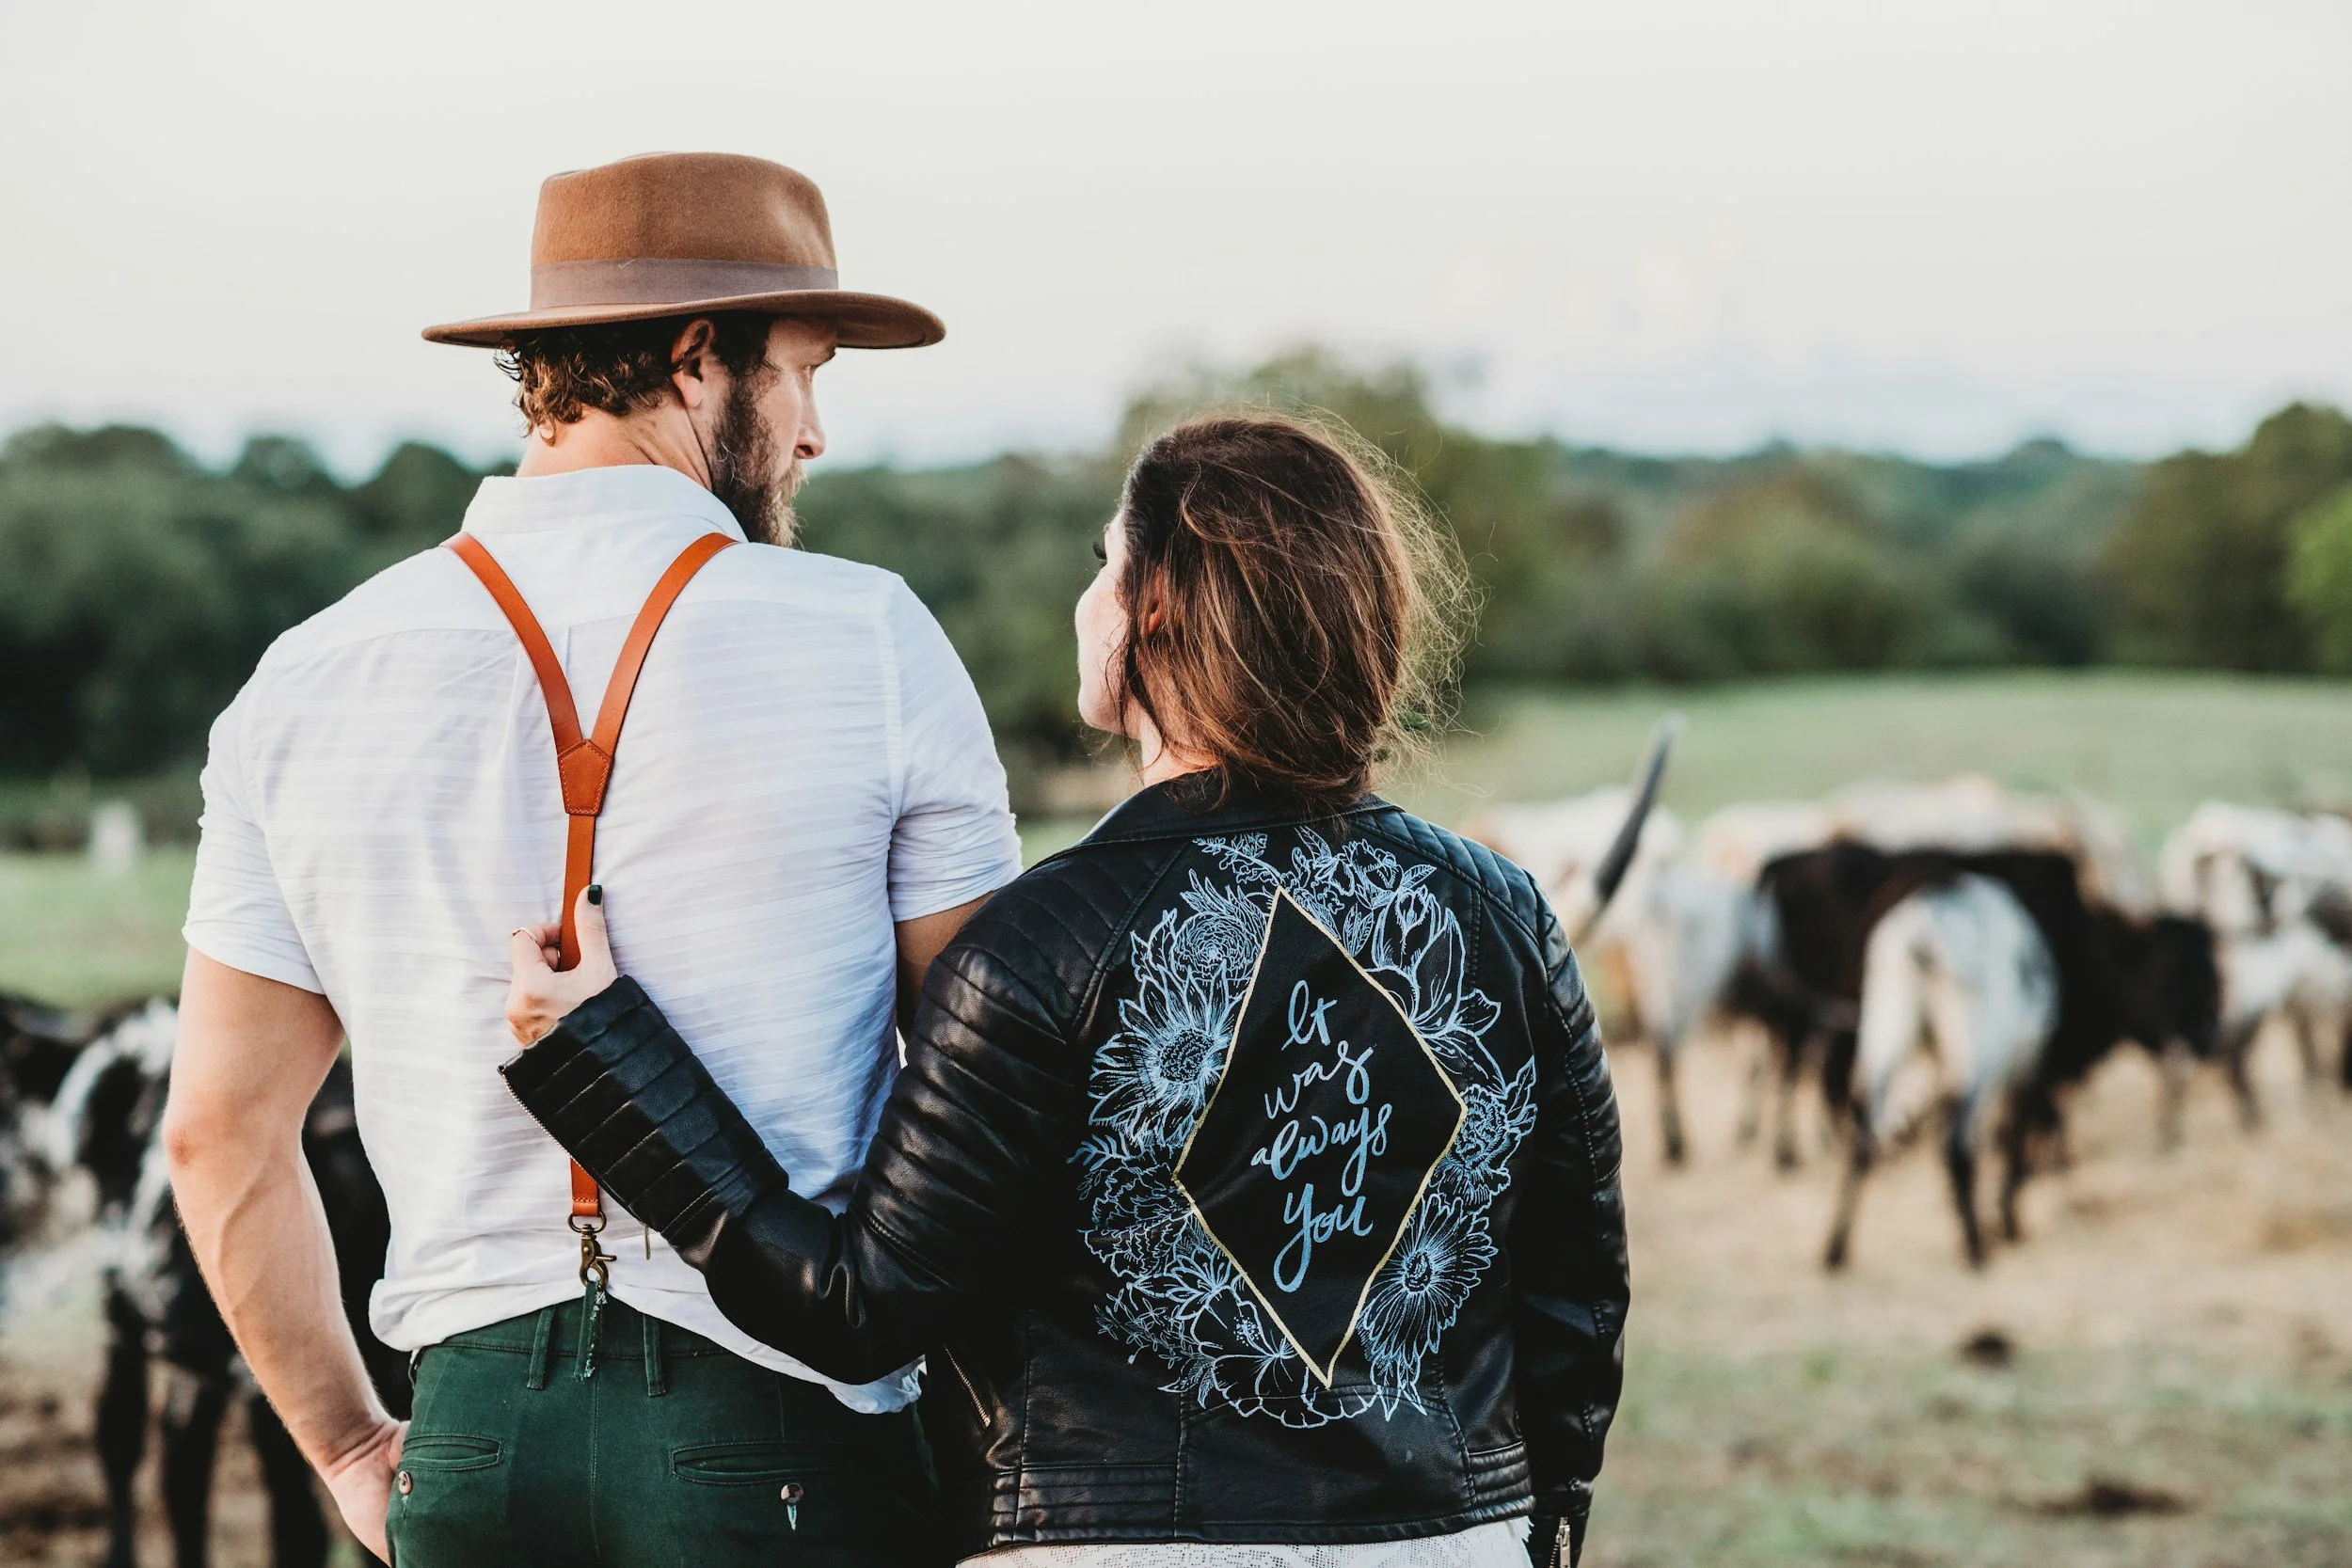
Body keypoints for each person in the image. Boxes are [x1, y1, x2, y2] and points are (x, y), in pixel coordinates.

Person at [504, 415, 1632, 1566]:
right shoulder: (1505, 915)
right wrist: (1534, 1523)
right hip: (1455, 1541)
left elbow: (857, 1308)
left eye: (1105, 560)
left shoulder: (1038, 944)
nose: (1086, 595)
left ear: (1153, 608)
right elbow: (1574, 1305)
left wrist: (604, 1053)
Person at [165, 151, 1023, 1565]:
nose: (815, 435)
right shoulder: (867, 637)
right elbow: (985, 1083)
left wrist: (349, 1444)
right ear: (698, 361)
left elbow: (217, 1134)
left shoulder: (303, 680)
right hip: (792, 1432)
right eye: (807, 372)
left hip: (474, 1444)